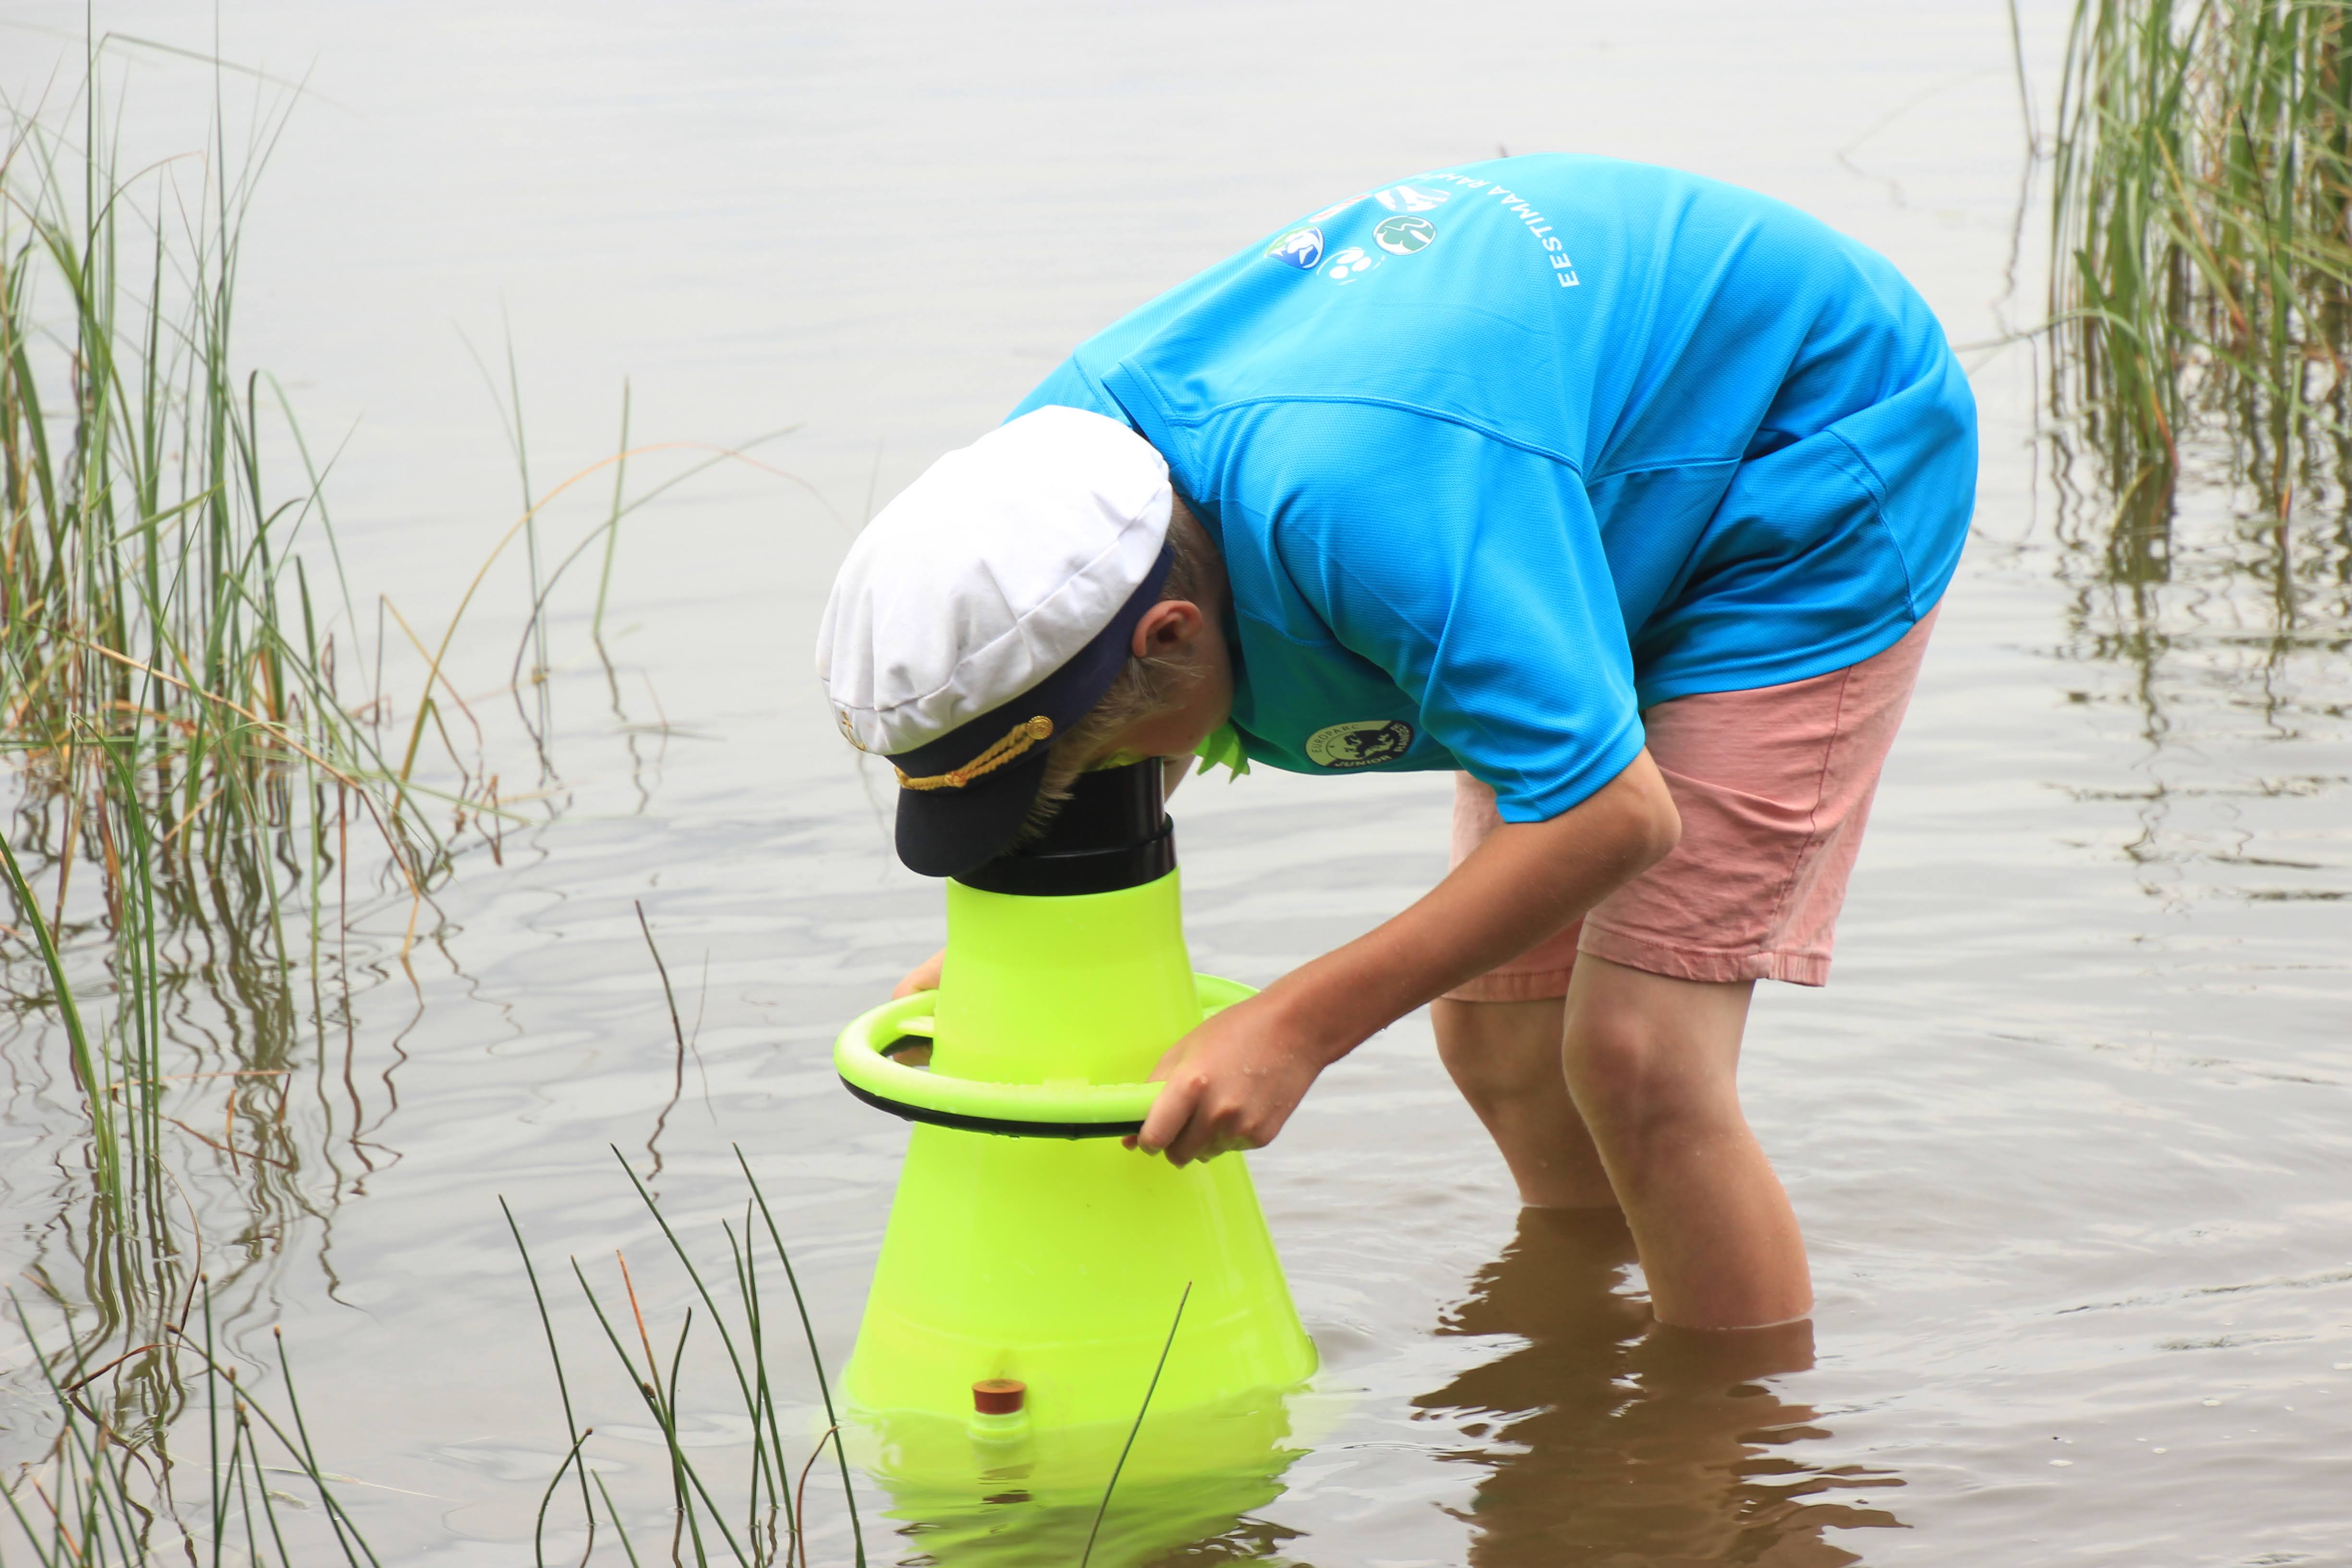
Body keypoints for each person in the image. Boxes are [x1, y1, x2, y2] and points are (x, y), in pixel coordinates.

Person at [816, 155, 1975, 1330]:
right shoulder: (1040, 506)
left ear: (1169, 631)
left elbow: (1614, 815)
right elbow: (1101, 722)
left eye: (1091, 763)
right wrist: (1026, 964)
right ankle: (1594, 1347)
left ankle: (1728, 1466)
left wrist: (1297, 1025)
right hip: (1543, 470)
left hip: (1806, 444)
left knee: (1638, 1059)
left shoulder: (1371, 516)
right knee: (1496, 1032)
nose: (1103, 781)